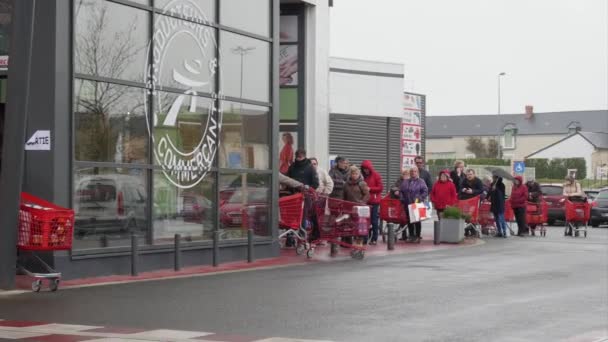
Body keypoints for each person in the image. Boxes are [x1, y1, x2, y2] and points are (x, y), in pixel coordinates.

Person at [343, 166, 370, 247]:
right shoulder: (346, 184)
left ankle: (361, 241)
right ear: (350, 174)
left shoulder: (362, 183)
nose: (354, 175)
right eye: (353, 174)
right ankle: (347, 241)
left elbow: (367, 195)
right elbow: (344, 195)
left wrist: (362, 202)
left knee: (360, 224)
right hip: (349, 207)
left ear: (359, 174)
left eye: (356, 174)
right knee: (348, 224)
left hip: (359, 208)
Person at [400, 166, 428, 243]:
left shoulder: (421, 181)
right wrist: (402, 199)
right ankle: (411, 235)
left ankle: (418, 236)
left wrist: (419, 198)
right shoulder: (405, 181)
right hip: (407, 204)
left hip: (417, 204)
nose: (413, 173)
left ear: (417, 173)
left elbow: (425, 191)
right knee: (409, 221)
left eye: (415, 171)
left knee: (417, 221)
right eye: (412, 171)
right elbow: (401, 191)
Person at [361, 160, 383, 245]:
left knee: (374, 220)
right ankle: (365, 237)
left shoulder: (376, 175)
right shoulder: (362, 176)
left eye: (367, 169)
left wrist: (370, 189)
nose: (366, 170)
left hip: (374, 201)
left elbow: (380, 188)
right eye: (364, 169)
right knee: (365, 220)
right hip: (365, 201)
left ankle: (374, 238)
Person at [391, 169, 410, 240]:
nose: (405, 176)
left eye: (406, 174)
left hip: (407, 202)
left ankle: (412, 234)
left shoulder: (410, 181)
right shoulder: (399, 181)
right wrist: (396, 190)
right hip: (400, 202)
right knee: (402, 219)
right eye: (404, 174)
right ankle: (404, 234)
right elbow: (393, 186)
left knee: (407, 219)